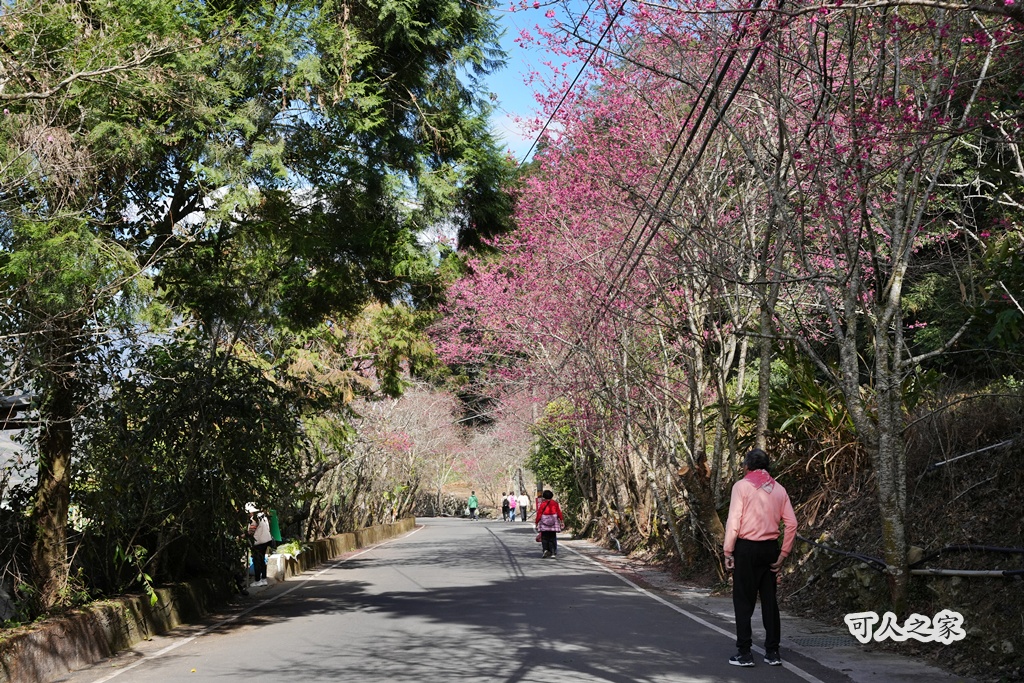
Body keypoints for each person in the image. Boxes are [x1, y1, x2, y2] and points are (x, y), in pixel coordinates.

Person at [723, 448, 798, 668]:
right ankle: (773, 652)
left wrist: (728, 551)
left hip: (746, 549)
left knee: (743, 601)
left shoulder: (741, 487)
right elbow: (792, 524)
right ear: (767, 466)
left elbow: (734, 520)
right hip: (770, 550)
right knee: (769, 601)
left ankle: (744, 653)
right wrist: (783, 554)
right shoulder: (779, 489)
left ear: (747, 466)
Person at [246, 502, 273, 587]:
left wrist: (243, 535)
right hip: (266, 540)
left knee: (257, 561)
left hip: (259, 542)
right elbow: (268, 528)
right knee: (262, 560)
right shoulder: (263, 516)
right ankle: (264, 579)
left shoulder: (254, 519)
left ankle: (257, 580)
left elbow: (251, 531)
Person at [534, 490, 564, 558]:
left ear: (544, 496)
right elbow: (559, 512)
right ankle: (553, 552)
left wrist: (536, 522)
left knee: (544, 537)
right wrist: (561, 520)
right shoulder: (555, 503)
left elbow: (539, 513)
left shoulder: (543, 504)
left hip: (544, 523)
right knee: (552, 537)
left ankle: (545, 550)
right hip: (553, 523)